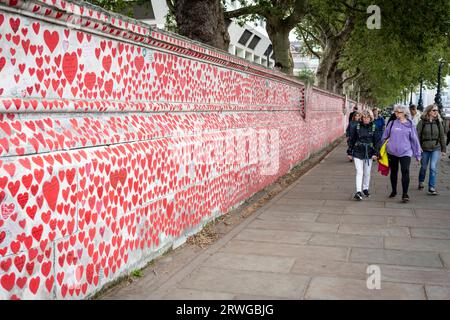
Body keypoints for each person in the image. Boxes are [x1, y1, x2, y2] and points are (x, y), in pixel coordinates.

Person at [381, 104, 422, 203]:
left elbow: (414, 140)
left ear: (404, 113)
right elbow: (384, 136)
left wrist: (417, 154)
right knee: (394, 172)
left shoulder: (410, 124)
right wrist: (384, 147)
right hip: (392, 152)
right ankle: (394, 190)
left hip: (406, 152)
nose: (396, 113)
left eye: (398, 112)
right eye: (395, 112)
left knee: (405, 171)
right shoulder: (392, 123)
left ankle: (405, 194)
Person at [347, 110, 381, 200]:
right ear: (362, 118)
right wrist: (349, 152)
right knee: (359, 172)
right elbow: (352, 140)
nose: (366, 119)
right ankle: (358, 191)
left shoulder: (374, 127)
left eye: (368, 118)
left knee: (367, 172)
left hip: (369, 152)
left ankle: (365, 189)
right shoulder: (357, 127)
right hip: (358, 151)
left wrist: (376, 153)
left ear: (371, 118)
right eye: (364, 117)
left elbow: (377, 142)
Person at [417, 104, 446, 195]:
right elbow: (417, 136)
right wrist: (418, 148)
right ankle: (421, 181)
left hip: (435, 148)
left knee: (433, 167)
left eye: (437, 110)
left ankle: (431, 187)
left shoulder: (438, 122)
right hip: (424, 148)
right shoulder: (422, 122)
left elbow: (442, 136)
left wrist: (443, 149)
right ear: (429, 111)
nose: (436, 112)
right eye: (434, 110)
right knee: (424, 167)